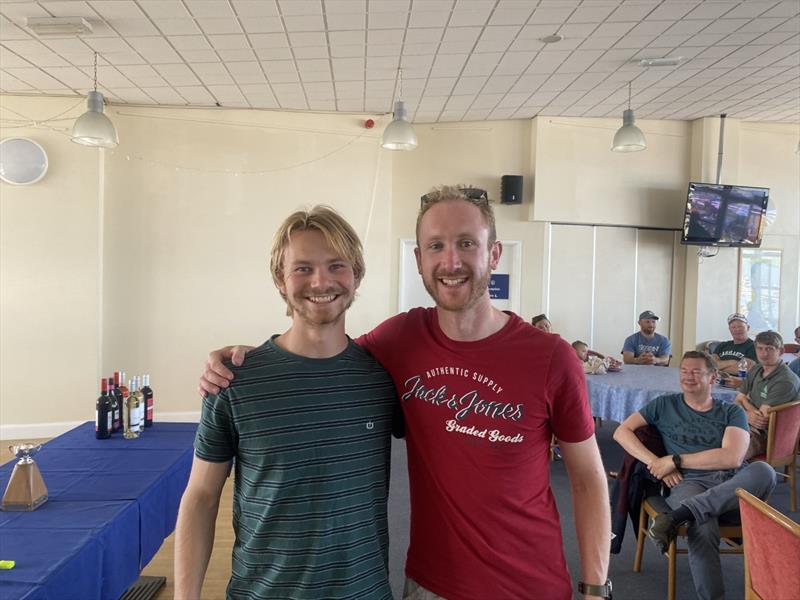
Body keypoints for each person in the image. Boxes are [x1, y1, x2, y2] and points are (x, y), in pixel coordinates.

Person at [201, 186, 612, 600]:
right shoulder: (400, 339)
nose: (451, 261)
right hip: (429, 585)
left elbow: (587, 478)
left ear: (494, 253)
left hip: (529, 586)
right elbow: (321, 351)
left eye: (466, 243)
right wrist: (255, 359)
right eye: (436, 245)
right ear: (419, 260)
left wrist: (595, 588)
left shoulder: (550, 357)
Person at [174, 207, 397, 599]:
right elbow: (201, 497)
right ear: (280, 279)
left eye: (336, 265)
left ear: (356, 274)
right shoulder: (233, 380)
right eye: (303, 268)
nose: (321, 281)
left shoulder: (381, 380)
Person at [613, 350, 776, 600]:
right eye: (684, 371)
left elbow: (732, 457)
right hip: (687, 482)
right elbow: (622, 432)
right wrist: (656, 462)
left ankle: (680, 515)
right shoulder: (664, 404)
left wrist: (675, 460)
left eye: (696, 372)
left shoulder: (731, 412)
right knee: (703, 523)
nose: (688, 377)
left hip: (731, 482)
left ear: (712, 378)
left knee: (764, 470)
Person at [734, 330, 800, 459]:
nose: (764, 354)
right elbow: (738, 398)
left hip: (768, 437)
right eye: (760, 348)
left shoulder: (786, 381)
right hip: (746, 425)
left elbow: (761, 420)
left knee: (731, 450)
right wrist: (748, 411)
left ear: (780, 351)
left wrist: (744, 404)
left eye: (769, 349)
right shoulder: (756, 369)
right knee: (706, 434)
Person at [711, 312, 756, 378]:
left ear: (748, 328)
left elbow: (745, 368)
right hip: (717, 382)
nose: (737, 329)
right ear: (729, 329)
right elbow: (711, 365)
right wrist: (732, 362)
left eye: (740, 326)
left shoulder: (754, 346)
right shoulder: (722, 345)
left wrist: (719, 369)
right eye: (733, 327)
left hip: (739, 384)